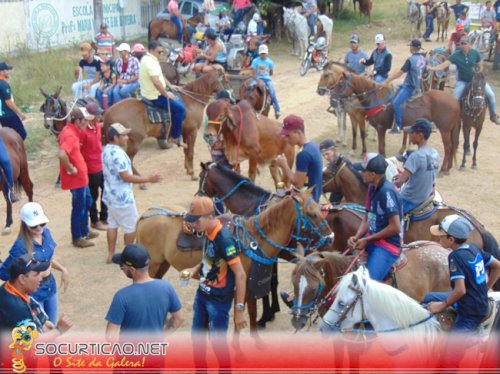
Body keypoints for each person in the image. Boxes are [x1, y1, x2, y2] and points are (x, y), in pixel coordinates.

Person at [181, 196, 246, 368]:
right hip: (202, 296)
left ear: (210, 217)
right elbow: (210, 258)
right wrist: (194, 270)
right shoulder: (207, 233)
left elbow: (240, 275)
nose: (193, 224)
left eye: (196, 220)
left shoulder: (224, 240)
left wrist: (239, 310)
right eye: (192, 220)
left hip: (218, 303)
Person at [425, 215, 500, 332]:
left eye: (441, 236)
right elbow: (497, 266)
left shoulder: (455, 257)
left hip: (471, 312)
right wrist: (485, 288)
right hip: (474, 298)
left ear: (451, 239)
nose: (438, 238)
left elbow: (460, 290)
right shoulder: (473, 248)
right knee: (428, 297)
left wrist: (442, 305)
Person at [102, 123, 163, 264]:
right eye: (123, 135)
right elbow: (126, 177)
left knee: (112, 224)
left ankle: (111, 255)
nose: (127, 138)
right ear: (115, 137)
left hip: (110, 195)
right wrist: (148, 178)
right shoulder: (118, 155)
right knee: (131, 227)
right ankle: (127, 257)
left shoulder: (106, 150)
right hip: (122, 198)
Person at [0, 202, 69, 324]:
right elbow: (4, 273)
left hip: (50, 288)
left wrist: (62, 269)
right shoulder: (20, 246)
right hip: (34, 294)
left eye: (42, 223)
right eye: (34, 225)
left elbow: (48, 258)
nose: (39, 228)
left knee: (51, 325)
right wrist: (38, 274)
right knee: (39, 331)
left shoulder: (46, 233)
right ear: (25, 224)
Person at [105, 244, 184, 340]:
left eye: (122, 267)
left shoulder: (121, 296)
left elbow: (110, 337)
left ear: (132, 270)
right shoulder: (166, 287)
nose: (122, 269)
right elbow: (179, 318)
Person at [347, 153, 403, 281]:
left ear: (373, 175)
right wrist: (357, 236)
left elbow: (395, 227)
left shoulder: (386, 192)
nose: (361, 173)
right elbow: (368, 217)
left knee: (366, 284)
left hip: (387, 246)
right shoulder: (372, 188)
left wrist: (367, 239)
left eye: (364, 171)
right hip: (372, 240)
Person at [428, 35, 500, 124]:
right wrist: (433, 68)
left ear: (470, 44)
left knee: (491, 95)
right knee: (454, 99)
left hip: (476, 81)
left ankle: (493, 115)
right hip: (463, 81)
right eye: (461, 43)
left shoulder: (475, 53)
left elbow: (480, 66)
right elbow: (444, 65)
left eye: (465, 43)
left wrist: (478, 76)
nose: (462, 45)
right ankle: (447, 118)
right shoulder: (456, 55)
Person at [0, 254, 73, 336]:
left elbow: (29, 303)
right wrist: (59, 330)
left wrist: (42, 321)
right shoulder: (18, 310)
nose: (40, 278)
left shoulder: (9, 287)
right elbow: (33, 343)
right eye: (36, 274)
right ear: (22, 279)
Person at [58, 107, 98, 248]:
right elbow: (62, 154)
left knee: (87, 201)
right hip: (76, 179)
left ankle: (84, 231)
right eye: (84, 120)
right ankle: (77, 237)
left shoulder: (73, 131)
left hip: (81, 178)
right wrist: (71, 168)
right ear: (78, 121)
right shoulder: (69, 135)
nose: (86, 123)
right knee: (79, 207)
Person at [139, 40, 187, 147]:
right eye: (159, 52)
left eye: (162, 52)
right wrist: (166, 93)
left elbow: (160, 75)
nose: (161, 54)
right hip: (155, 96)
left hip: (150, 92)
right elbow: (156, 81)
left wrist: (170, 86)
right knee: (180, 109)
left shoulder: (149, 58)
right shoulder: (150, 62)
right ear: (151, 50)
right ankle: (175, 137)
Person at [393, 119, 440, 215]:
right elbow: (426, 172)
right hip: (426, 198)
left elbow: (398, 183)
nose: (410, 135)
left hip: (409, 200)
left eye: (412, 132)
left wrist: (388, 182)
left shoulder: (415, 156)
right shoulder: (435, 153)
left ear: (420, 135)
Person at [275, 115, 323, 203]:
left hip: (306, 203)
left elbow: (298, 184)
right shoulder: (312, 145)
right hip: (313, 196)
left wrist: (284, 165)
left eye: (287, 135)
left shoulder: (303, 154)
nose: (285, 138)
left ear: (297, 133)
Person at [385, 39, 427, 134]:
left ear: (413, 48)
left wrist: (388, 80)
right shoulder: (423, 59)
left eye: (410, 46)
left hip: (410, 88)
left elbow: (400, 72)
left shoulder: (411, 60)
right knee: (395, 89)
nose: (409, 48)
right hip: (417, 86)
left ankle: (398, 126)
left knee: (396, 103)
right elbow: (425, 74)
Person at [80, 103, 107, 231]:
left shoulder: (97, 126)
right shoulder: (84, 131)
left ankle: (103, 216)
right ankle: (95, 220)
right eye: (97, 114)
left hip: (100, 164)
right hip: (91, 167)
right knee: (94, 194)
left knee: (106, 191)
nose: (99, 116)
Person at [251, 44, 281, 119]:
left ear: (266, 53)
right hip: (257, 79)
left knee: (272, 92)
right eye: (261, 53)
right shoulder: (255, 61)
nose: (263, 55)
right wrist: (259, 81)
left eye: (264, 53)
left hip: (267, 80)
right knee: (249, 87)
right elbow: (253, 75)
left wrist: (266, 77)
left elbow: (271, 73)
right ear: (259, 53)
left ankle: (277, 109)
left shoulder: (270, 62)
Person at [0, 61, 27, 140]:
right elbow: (8, 102)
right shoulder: (4, 85)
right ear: (2, 71)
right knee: (22, 134)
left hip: (1, 115)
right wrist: (20, 113)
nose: (9, 72)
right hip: (9, 114)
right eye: (7, 70)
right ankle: (17, 151)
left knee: (9, 135)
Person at [319, 139, 343, 205]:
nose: (326, 157)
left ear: (334, 150)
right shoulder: (337, 160)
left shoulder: (339, 163)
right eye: (323, 155)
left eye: (327, 154)